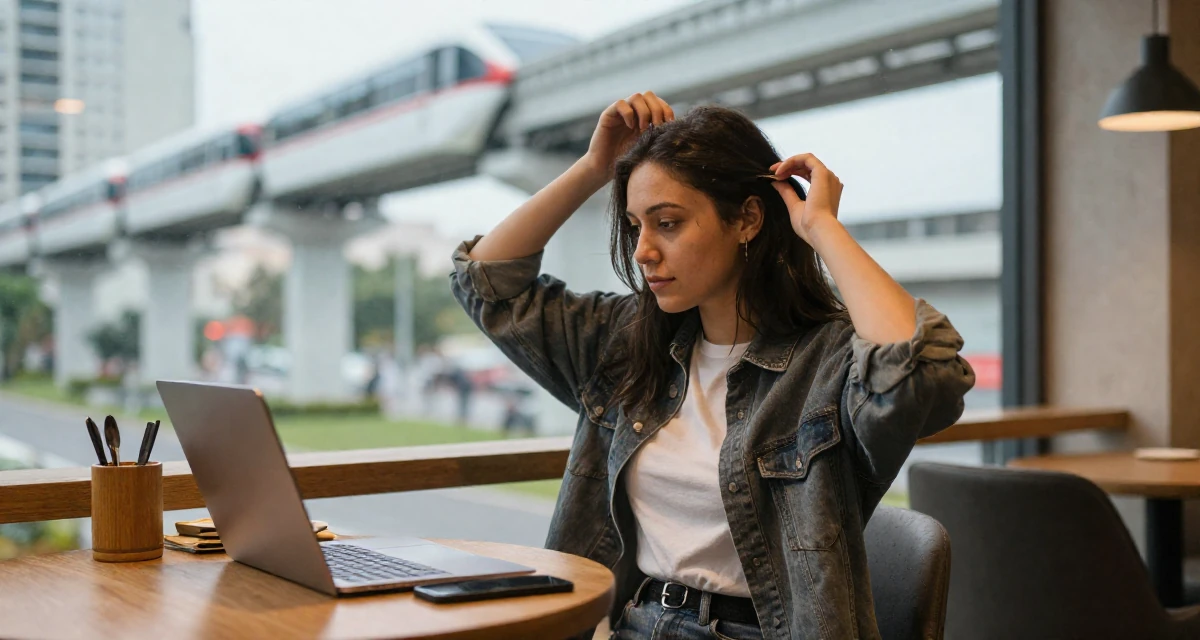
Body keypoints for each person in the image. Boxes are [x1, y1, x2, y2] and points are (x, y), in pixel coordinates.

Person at [450, 92, 975, 640]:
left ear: (747, 218)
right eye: (635, 226)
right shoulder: (627, 342)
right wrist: (592, 170)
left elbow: (922, 374)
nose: (643, 251)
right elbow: (489, 285)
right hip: (634, 622)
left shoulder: (828, 363)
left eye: (668, 223)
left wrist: (821, 228)